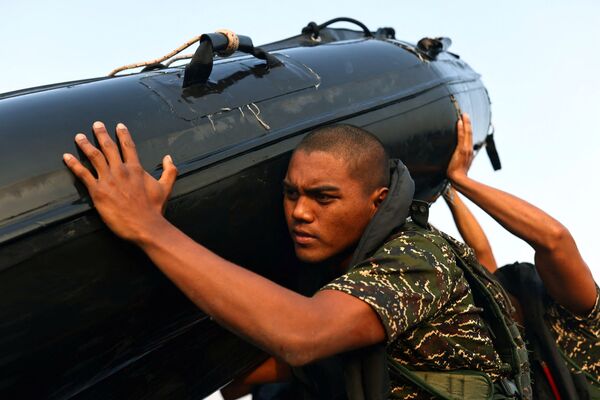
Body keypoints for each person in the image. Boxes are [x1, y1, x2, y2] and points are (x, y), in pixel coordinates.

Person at [63, 121, 519, 399]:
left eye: (323, 198)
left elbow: (303, 335)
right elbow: (236, 381)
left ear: (377, 202)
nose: (300, 212)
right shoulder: (334, 276)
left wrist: (149, 228)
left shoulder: (418, 256)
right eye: (290, 194)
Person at [444, 114, 599, 399]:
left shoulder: (512, 351)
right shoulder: (586, 320)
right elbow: (554, 239)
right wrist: (455, 185)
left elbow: (484, 262)